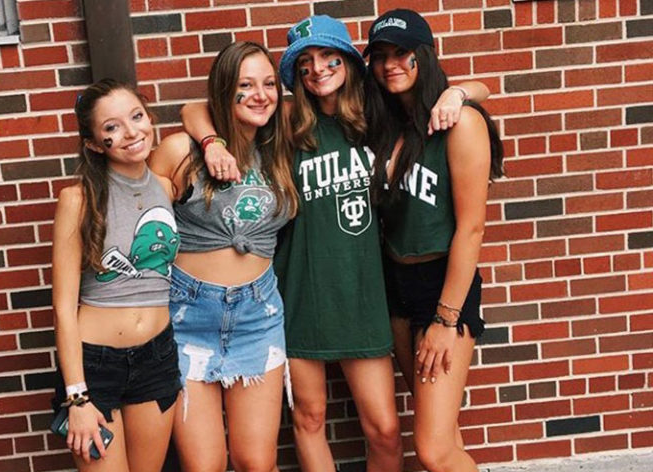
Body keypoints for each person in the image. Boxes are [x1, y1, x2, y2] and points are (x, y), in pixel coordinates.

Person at [181, 15, 489, 472]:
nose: (318, 69)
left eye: (328, 57)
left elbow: (473, 91)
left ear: (348, 61)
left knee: (385, 429)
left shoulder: (377, 116)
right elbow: (198, 108)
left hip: (365, 293)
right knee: (309, 418)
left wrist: (457, 93)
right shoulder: (286, 121)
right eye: (305, 62)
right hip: (300, 290)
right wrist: (211, 143)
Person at [365, 9, 504, 472]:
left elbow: (472, 228)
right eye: (380, 56)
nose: (390, 65)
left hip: (442, 287)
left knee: (432, 449)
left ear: (423, 55)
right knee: (443, 432)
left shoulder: (459, 122)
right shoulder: (386, 125)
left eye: (402, 53)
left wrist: (446, 319)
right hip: (396, 286)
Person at [148, 42, 297, 472]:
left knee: (257, 462)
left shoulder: (281, 144)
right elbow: (140, 224)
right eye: (244, 85)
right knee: (204, 465)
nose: (260, 95)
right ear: (224, 90)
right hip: (187, 318)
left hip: (258, 315)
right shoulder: (182, 151)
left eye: (268, 84)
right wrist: (211, 142)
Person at [51, 79, 182, 472]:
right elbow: (63, 309)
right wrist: (77, 397)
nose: (130, 132)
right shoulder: (77, 200)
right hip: (94, 367)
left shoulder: (166, 188)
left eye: (136, 116)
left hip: (156, 357)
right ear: (94, 144)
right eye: (112, 127)